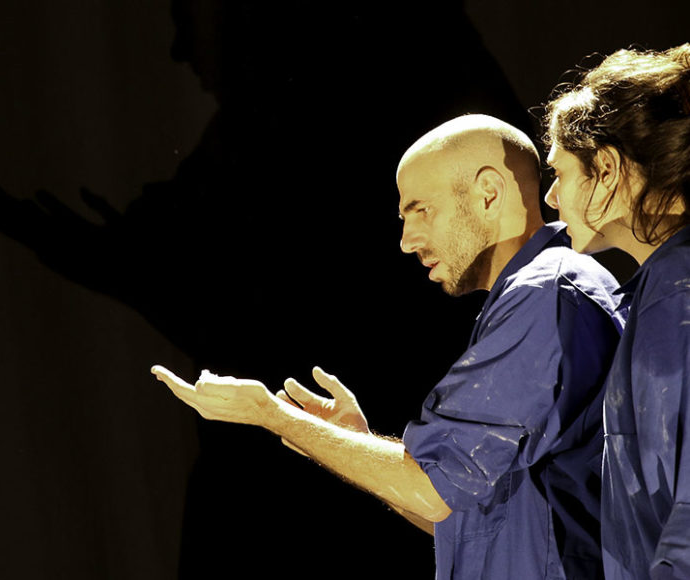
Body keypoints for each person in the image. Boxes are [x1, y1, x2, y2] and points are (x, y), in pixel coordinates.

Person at [153, 114, 625, 578]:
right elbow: (462, 519)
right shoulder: (538, 295)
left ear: (488, 193)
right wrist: (352, 440)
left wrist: (270, 414)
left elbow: (430, 491)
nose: (406, 241)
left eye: (422, 211)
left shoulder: (545, 294)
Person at [543, 44, 690, 580]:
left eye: (560, 173)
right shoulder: (661, 289)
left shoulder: (678, 294)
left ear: (605, 170)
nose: (552, 198)